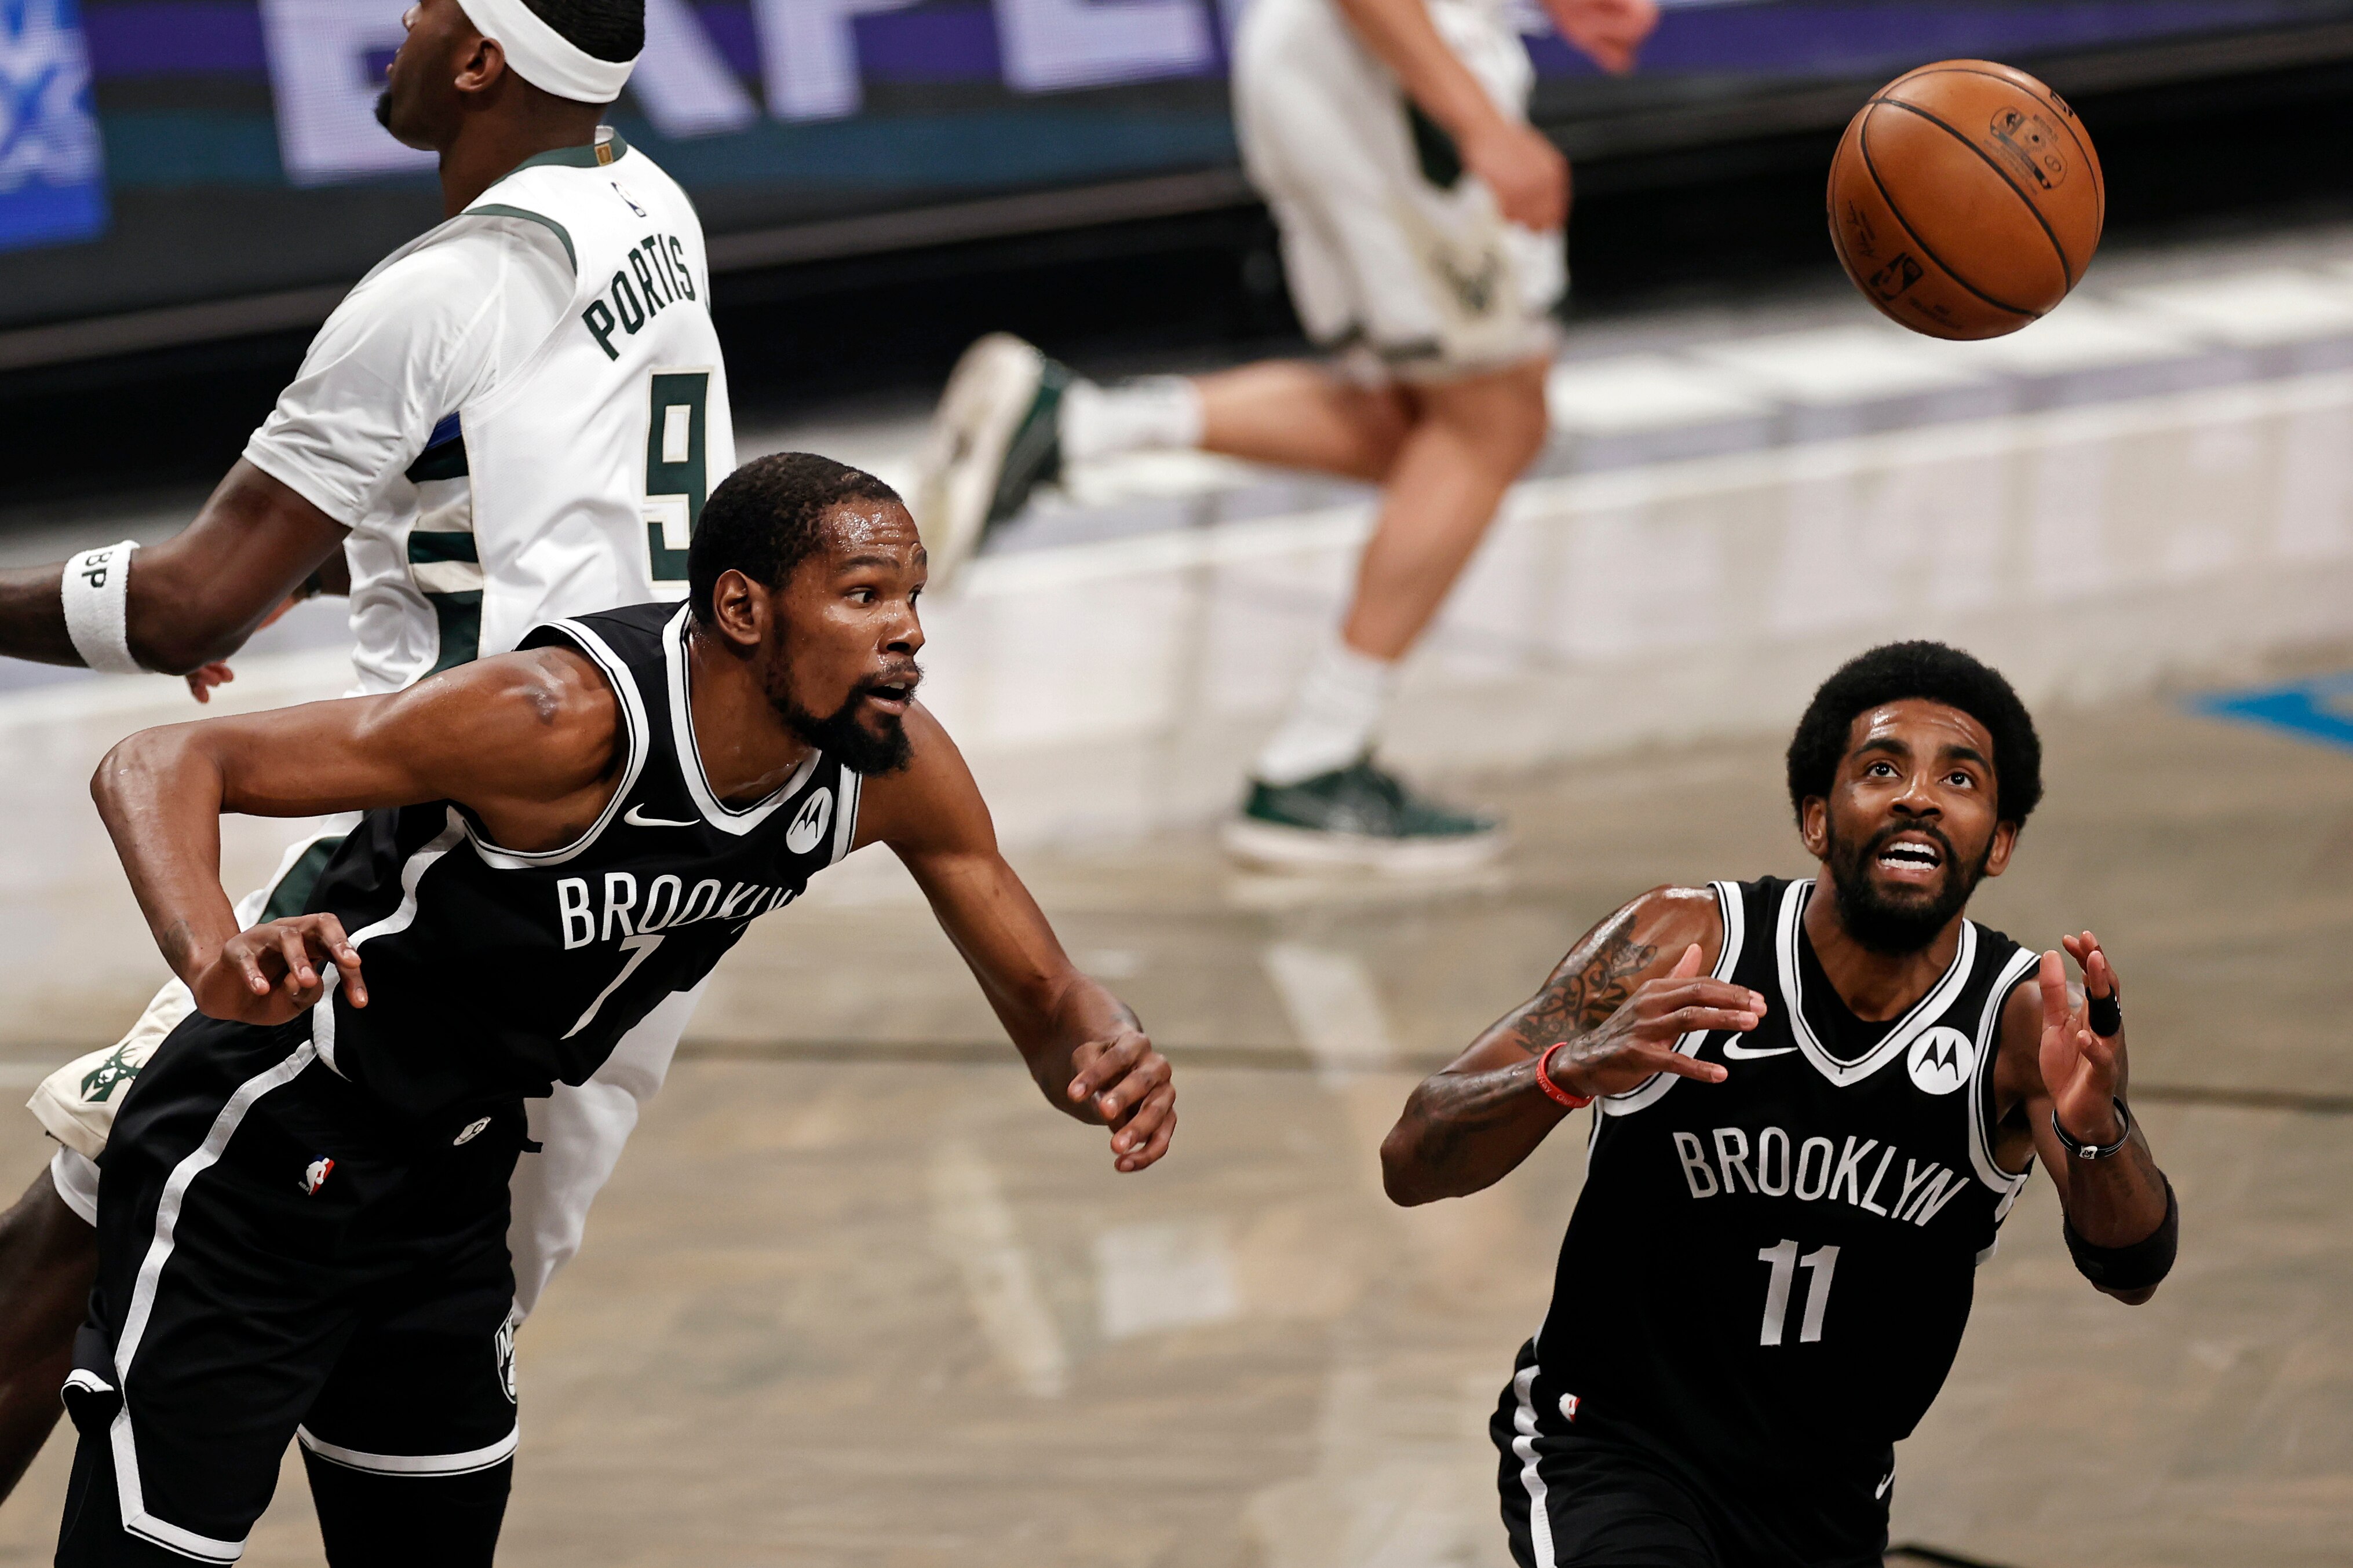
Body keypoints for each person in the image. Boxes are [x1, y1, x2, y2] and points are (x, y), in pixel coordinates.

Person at [58, 452, 1178, 1565]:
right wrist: (214, 952)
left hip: (449, 1183)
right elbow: (162, 760)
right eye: (865, 594)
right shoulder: (554, 719)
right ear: (742, 606)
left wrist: (1103, 1051)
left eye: (913, 596)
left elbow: (1050, 1000)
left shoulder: (884, 764)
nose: (909, 631)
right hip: (269, 1151)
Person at [0, 0, 739, 1507]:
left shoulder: (441, 291)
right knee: (350, 1320)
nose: (394, 25)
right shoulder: (646, 200)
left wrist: (227, 584)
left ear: (479, 62)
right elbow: (540, 516)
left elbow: (188, 601)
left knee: (129, 1247)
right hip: (641, 879)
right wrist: (338, 570)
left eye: (428, 6)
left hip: (444, 875)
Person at [1378, 641, 2177, 1567]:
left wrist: (2095, 1131)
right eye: (1881, 768)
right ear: (1814, 817)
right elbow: (1411, 1156)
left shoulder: (2021, 1020)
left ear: (1997, 842)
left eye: (1958, 777)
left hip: (1827, 1497)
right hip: (1611, 1448)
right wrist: (1566, 1069)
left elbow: (2134, 1269)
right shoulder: (1681, 939)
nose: (1917, 795)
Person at [907, 0, 1658, 871]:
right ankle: (1314, 762)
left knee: (1420, 429)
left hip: (1338, 64)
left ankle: (1075, 427)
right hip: (1391, 68)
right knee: (1495, 420)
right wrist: (1478, 121)